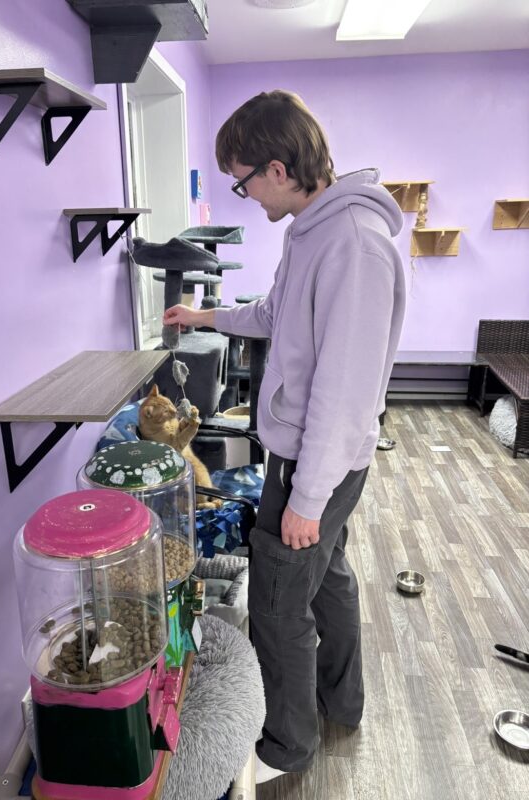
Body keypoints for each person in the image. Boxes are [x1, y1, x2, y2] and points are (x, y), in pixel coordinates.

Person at [163, 90, 406, 784]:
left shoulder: (354, 243)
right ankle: (342, 703)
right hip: (310, 455)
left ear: (277, 166)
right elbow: (275, 313)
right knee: (328, 579)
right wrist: (204, 317)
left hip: (316, 460)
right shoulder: (311, 228)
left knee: (277, 603)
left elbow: (347, 390)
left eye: (241, 180)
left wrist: (305, 497)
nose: (242, 194)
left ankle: (288, 746)